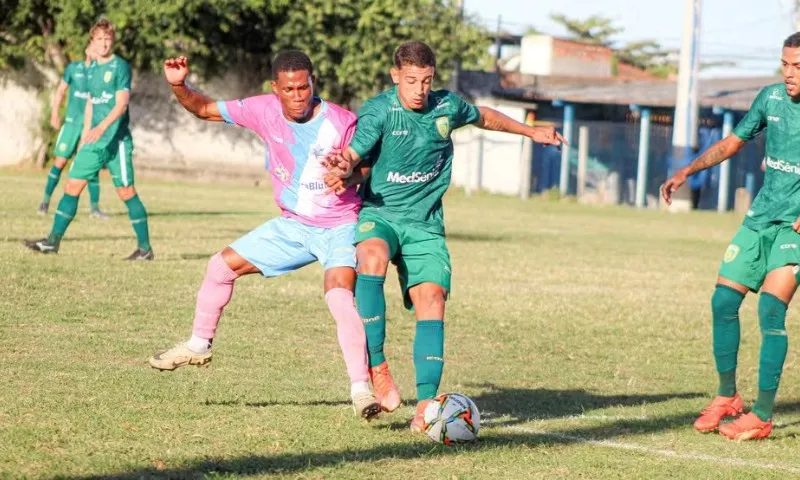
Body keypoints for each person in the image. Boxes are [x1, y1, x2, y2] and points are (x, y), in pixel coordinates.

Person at [324, 41, 565, 431]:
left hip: (425, 224)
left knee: (432, 299)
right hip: (381, 214)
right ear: (395, 76)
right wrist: (343, 163)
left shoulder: (446, 106)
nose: (419, 89)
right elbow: (355, 152)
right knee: (371, 257)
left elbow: (483, 115)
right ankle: (378, 365)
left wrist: (530, 131)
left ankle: (425, 407)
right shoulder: (379, 110)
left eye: (426, 80)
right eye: (411, 80)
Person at [149, 52, 381, 420]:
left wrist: (350, 175)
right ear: (276, 89)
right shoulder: (262, 110)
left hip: (339, 226)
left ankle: (361, 392)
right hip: (292, 225)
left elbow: (370, 165)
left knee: (339, 298)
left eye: (304, 86)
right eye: (289, 89)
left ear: (313, 83)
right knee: (219, 267)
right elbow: (205, 108)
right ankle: (197, 345)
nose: (298, 95)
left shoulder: (342, 121)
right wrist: (179, 85)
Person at [661, 32, 800, 442]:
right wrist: (687, 171)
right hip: (760, 218)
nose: (789, 74)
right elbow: (731, 144)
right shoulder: (771, 98)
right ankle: (727, 396)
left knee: (771, 313)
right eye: (785, 65)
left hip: (793, 229)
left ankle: (762, 414)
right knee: (723, 300)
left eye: (798, 67)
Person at [25, 19, 152, 260]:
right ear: (92, 42)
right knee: (72, 185)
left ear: (112, 41)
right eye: (100, 39)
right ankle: (52, 242)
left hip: (116, 142)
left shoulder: (120, 67)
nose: (104, 43)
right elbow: (92, 104)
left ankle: (145, 249)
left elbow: (121, 105)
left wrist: (102, 128)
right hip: (94, 141)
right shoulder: (91, 69)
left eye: (108, 39)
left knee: (126, 192)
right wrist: (86, 133)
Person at [38, 43, 108, 219]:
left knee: (89, 166)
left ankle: (95, 209)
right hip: (71, 124)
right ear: (86, 50)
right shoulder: (73, 68)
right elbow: (61, 90)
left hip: (90, 127)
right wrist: (55, 113)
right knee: (60, 163)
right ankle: (45, 203)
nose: (96, 50)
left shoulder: (102, 73)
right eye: (93, 47)